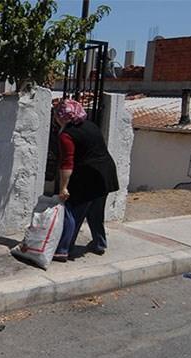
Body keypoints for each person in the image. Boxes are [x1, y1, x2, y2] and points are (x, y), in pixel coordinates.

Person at [52, 99, 119, 261]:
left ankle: (63, 249)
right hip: (105, 174)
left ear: (62, 116)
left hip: (88, 178)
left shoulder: (66, 135)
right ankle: (99, 243)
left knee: (73, 212)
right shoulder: (90, 125)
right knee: (96, 211)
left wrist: (63, 187)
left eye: (56, 114)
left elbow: (67, 163)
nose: (54, 117)